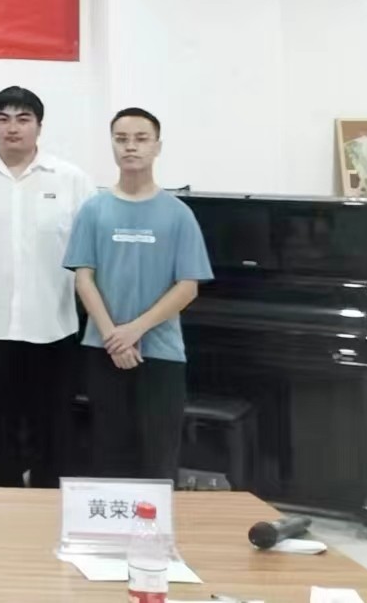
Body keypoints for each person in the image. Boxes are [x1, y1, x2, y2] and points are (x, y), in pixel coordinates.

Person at [0, 86, 96, 489]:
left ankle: (46, 507)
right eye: (3, 118)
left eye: (23, 119)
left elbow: (86, 252)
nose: (12, 127)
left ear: (39, 126)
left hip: (53, 327)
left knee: (54, 433)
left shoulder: (72, 180)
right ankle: (0, 506)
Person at [64, 108, 212, 484]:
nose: (130, 147)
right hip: (103, 348)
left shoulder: (178, 214)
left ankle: (154, 523)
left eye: (141, 139)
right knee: (107, 451)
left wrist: (134, 330)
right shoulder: (94, 209)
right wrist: (113, 336)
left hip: (160, 352)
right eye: (121, 139)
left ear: (157, 147)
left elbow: (188, 286)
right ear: (112, 145)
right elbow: (84, 278)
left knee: (158, 455)